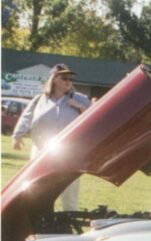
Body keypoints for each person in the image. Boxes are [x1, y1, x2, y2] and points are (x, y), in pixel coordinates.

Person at [12, 63, 92, 211]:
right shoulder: (39, 100)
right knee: (40, 188)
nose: (69, 81)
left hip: (70, 153)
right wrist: (17, 136)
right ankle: (41, 218)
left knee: (69, 191)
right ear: (54, 79)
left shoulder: (80, 99)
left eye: (71, 78)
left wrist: (80, 107)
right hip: (42, 151)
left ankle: (69, 218)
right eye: (64, 78)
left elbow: (95, 117)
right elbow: (26, 117)